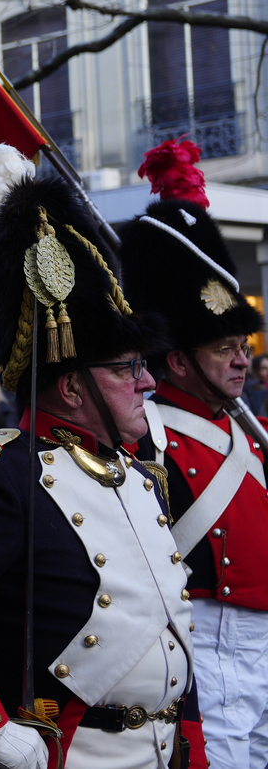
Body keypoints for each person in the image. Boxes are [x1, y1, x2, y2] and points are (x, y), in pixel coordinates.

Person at [0, 149, 203, 769]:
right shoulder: (1, 475)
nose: (147, 382)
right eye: (125, 368)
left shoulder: (140, 475)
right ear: (72, 386)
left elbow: (171, 635)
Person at [119, 140, 268, 768]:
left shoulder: (246, 429)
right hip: (210, 634)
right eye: (223, 349)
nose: (241, 360)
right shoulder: (145, 434)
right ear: (177, 359)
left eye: (242, 346)